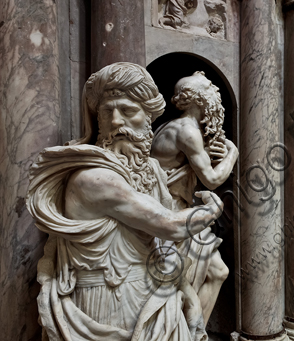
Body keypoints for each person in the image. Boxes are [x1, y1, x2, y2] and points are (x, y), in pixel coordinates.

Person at [27, 62, 224, 340]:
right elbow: (170, 226)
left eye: (128, 111)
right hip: (108, 304)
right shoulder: (92, 178)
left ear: (148, 118)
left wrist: (187, 292)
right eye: (107, 112)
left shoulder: (152, 171)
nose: (117, 122)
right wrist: (211, 210)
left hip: (155, 295)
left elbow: (162, 246)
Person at [151, 70, 237, 322]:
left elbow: (182, 165)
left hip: (178, 212)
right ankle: (184, 331)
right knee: (180, 285)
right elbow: (211, 180)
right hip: (171, 217)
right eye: (210, 89)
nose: (217, 93)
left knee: (217, 272)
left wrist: (207, 153)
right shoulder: (187, 130)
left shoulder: (178, 127)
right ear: (199, 98)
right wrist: (232, 153)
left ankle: (192, 332)